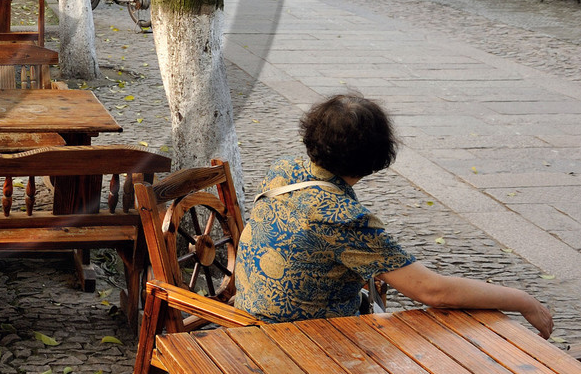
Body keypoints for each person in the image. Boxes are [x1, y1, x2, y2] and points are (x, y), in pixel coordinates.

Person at [236, 93, 553, 337]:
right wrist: (522, 299)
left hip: (248, 317)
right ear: (375, 156)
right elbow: (433, 291)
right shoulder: (344, 218)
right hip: (301, 340)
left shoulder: (284, 168)